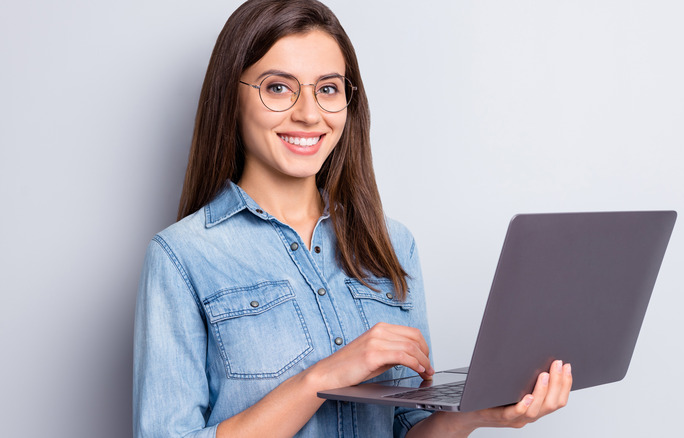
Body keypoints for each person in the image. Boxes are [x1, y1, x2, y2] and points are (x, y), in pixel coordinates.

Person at [132, 1, 573, 437]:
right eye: (278, 87)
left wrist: (475, 415)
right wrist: (323, 377)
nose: (309, 114)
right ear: (231, 96)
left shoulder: (392, 244)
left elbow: (408, 427)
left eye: (328, 89)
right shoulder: (182, 256)